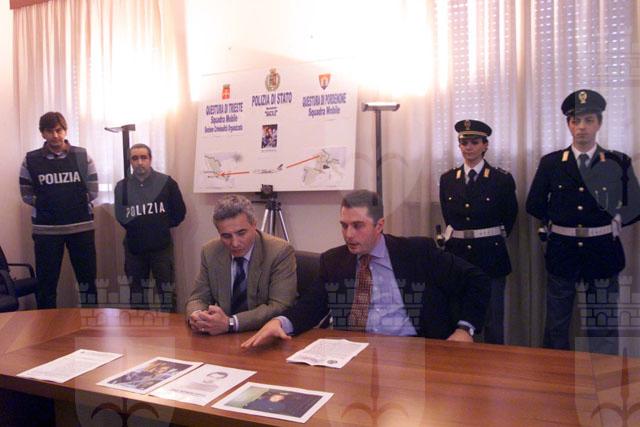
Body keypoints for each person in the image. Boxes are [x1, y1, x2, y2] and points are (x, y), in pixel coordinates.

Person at [242, 190, 490, 348]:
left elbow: (476, 279)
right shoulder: (333, 261)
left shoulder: (417, 252)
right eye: (344, 225)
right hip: (353, 351)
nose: (348, 234)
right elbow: (311, 306)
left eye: (358, 226)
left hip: (415, 350)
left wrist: (465, 329)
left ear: (379, 225)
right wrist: (280, 322)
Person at [526, 89, 640, 355]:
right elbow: (534, 203)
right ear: (568, 124)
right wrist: (555, 222)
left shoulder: (617, 161)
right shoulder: (552, 163)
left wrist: (616, 218)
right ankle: (555, 375)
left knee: (602, 325)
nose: (581, 127)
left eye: (588, 120)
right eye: (575, 121)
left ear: (599, 123)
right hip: (562, 250)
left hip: (602, 251)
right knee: (556, 325)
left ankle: (603, 374)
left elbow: (635, 205)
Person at [439, 120, 517, 344]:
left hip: (490, 255)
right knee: (458, 316)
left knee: (493, 320)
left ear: (485, 145)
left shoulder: (501, 179)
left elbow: (509, 217)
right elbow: (449, 217)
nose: (469, 147)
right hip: (458, 256)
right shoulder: (448, 179)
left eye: (474, 142)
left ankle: (494, 363)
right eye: (464, 143)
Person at [186, 194, 297, 335]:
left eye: (241, 233)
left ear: (254, 225)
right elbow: (198, 298)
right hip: (222, 337)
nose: (235, 243)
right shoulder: (210, 251)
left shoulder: (279, 251)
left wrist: (231, 323)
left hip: (264, 334)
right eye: (226, 236)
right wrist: (197, 315)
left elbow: (280, 306)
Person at [19, 112, 98, 308]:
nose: (55, 135)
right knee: (46, 285)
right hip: (46, 231)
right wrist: (52, 204)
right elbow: (26, 194)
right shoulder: (31, 160)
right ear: (42, 133)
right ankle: (47, 325)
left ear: (65, 131)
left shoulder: (82, 156)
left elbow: (93, 190)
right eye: (49, 131)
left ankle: (91, 323)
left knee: (88, 282)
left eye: (59, 130)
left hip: (81, 228)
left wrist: (67, 203)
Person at [114, 143, 186, 312]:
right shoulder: (122, 186)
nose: (140, 162)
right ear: (130, 161)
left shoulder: (166, 182)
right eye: (135, 158)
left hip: (161, 247)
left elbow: (179, 212)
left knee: (167, 293)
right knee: (137, 295)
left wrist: (160, 226)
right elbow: (121, 216)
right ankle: (141, 329)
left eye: (143, 157)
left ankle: (171, 328)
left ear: (150, 159)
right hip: (134, 248)